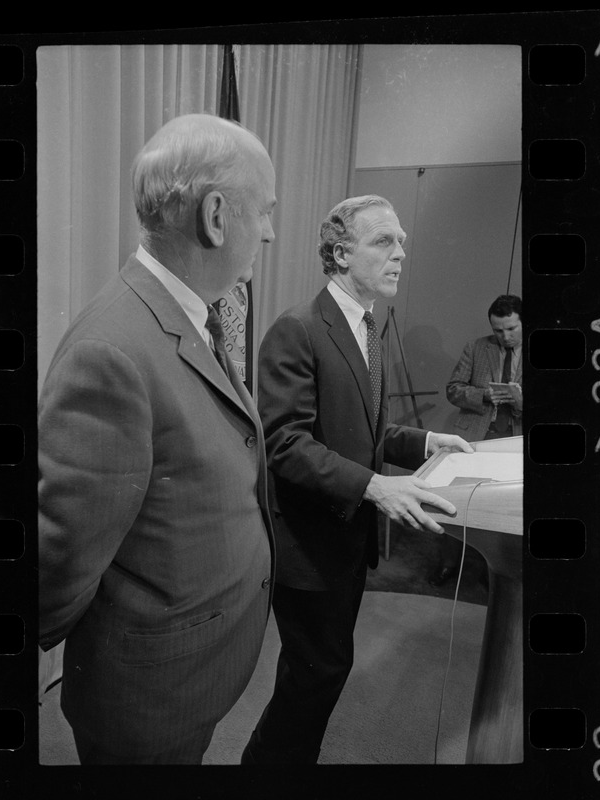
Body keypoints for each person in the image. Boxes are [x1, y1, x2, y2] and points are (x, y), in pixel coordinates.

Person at [38, 113, 277, 764]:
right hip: (148, 705)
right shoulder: (112, 352)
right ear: (218, 217)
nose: (272, 232)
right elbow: (54, 566)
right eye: (266, 212)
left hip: (191, 679)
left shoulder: (188, 312)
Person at [241, 194, 473, 764]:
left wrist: (422, 442)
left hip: (344, 540)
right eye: (383, 242)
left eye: (402, 243)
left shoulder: (365, 326)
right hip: (307, 547)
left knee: (320, 673)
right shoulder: (298, 328)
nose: (399, 254)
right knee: (314, 676)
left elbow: (361, 430)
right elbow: (285, 443)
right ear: (341, 253)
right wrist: (375, 485)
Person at [428, 294, 523, 587]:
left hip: (515, 441)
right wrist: (482, 395)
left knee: (502, 512)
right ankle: (448, 563)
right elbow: (453, 389)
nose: (505, 336)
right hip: (475, 438)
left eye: (511, 329)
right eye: (498, 330)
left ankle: (493, 571)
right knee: (454, 504)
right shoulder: (477, 347)